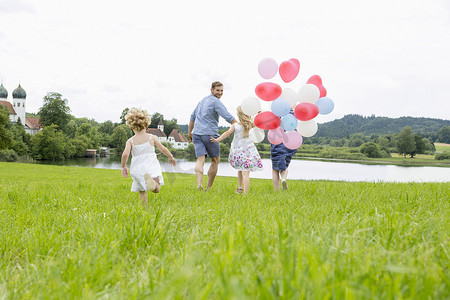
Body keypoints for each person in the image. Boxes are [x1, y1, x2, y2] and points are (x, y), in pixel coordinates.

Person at [121, 108, 176, 208]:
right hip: (151, 165)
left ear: (131, 127)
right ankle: (153, 184)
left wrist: (123, 166)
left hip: (137, 167)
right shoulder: (151, 137)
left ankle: (144, 209)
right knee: (157, 189)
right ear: (147, 125)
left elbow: (125, 154)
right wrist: (171, 157)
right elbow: (163, 149)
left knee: (142, 190)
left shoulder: (130, 141)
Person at [188, 81, 237, 191]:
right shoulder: (216, 102)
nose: (220, 93)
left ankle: (199, 184)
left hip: (196, 134)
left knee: (200, 159)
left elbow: (192, 118)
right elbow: (227, 116)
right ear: (212, 90)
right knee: (215, 160)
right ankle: (208, 188)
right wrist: (238, 125)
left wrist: (190, 133)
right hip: (209, 135)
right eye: (217, 90)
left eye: (221, 91)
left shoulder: (201, 101)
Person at [210, 106, 263, 194]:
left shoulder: (235, 125)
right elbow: (259, 123)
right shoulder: (250, 124)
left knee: (240, 169)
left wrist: (217, 139)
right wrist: (258, 114)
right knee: (245, 172)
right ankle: (242, 190)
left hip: (238, 151)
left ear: (239, 114)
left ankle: (241, 189)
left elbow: (227, 133)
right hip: (249, 150)